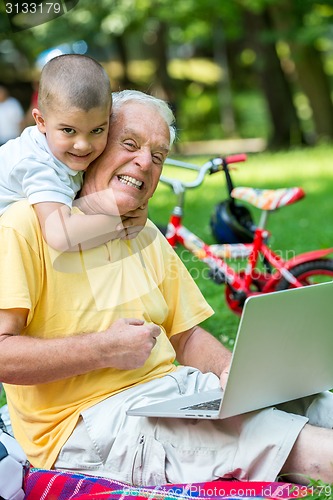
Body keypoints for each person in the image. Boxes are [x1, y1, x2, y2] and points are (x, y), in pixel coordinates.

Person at [0, 90, 333, 487]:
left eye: (158, 156)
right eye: (130, 144)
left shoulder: (142, 233)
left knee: (316, 401)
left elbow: (186, 334)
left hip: (175, 394)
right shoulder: (23, 226)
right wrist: (103, 348)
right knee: (301, 446)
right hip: (90, 422)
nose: (144, 162)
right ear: (95, 145)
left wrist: (231, 374)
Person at [0, 55, 147, 253]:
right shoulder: (37, 164)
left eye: (97, 130)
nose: (83, 145)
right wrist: (119, 220)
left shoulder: (65, 153)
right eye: (69, 130)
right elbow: (60, 236)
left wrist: (133, 207)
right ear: (41, 121)